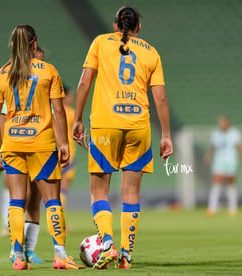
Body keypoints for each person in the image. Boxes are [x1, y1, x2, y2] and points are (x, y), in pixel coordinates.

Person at [72, 6, 173, 269]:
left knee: (99, 191)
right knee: (130, 193)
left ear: (116, 26)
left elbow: (84, 82)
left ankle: (107, 244)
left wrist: (77, 118)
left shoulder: (100, 43)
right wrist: (166, 136)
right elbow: (160, 97)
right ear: (138, 27)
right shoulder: (151, 52)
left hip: (105, 126)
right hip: (140, 126)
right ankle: (126, 255)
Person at [0, 25, 83, 270]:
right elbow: (59, 110)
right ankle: (60, 254)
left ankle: (18, 256)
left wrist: (1, 149)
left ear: (13, 44)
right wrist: (63, 143)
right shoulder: (48, 71)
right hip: (41, 142)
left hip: (12, 143)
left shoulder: (1, 74)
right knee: (52, 200)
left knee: (16, 201)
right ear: (34, 42)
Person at [0, 47, 47, 264]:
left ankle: (29, 250)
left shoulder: (43, 86)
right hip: (17, 146)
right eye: (35, 60)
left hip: (40, 146)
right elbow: (1, 117)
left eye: (41, 61)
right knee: (20, 197)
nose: (38, 64)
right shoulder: (12, 85)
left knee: (35, 199)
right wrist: (0, 150)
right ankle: (15, 247)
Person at [204, 115, 242, 217]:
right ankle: (212, 208)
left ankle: (233, 208)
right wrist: (208, 156)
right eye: (220, 123)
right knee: (216, 183)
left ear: (228, 123)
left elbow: (240, 147)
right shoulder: (216, 133)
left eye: (223, 123)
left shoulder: (234, 133)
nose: (222, 125)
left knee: (231, 184)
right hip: (219, 161)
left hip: (231, 161)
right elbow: (213, 147)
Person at [60, 86, 76, 209]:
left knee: (53, 192)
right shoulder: (71, 113)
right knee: (63, 189)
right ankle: (60, 222)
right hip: (68, 155)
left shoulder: (51, 111)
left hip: (53, 153)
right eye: (70, 96)